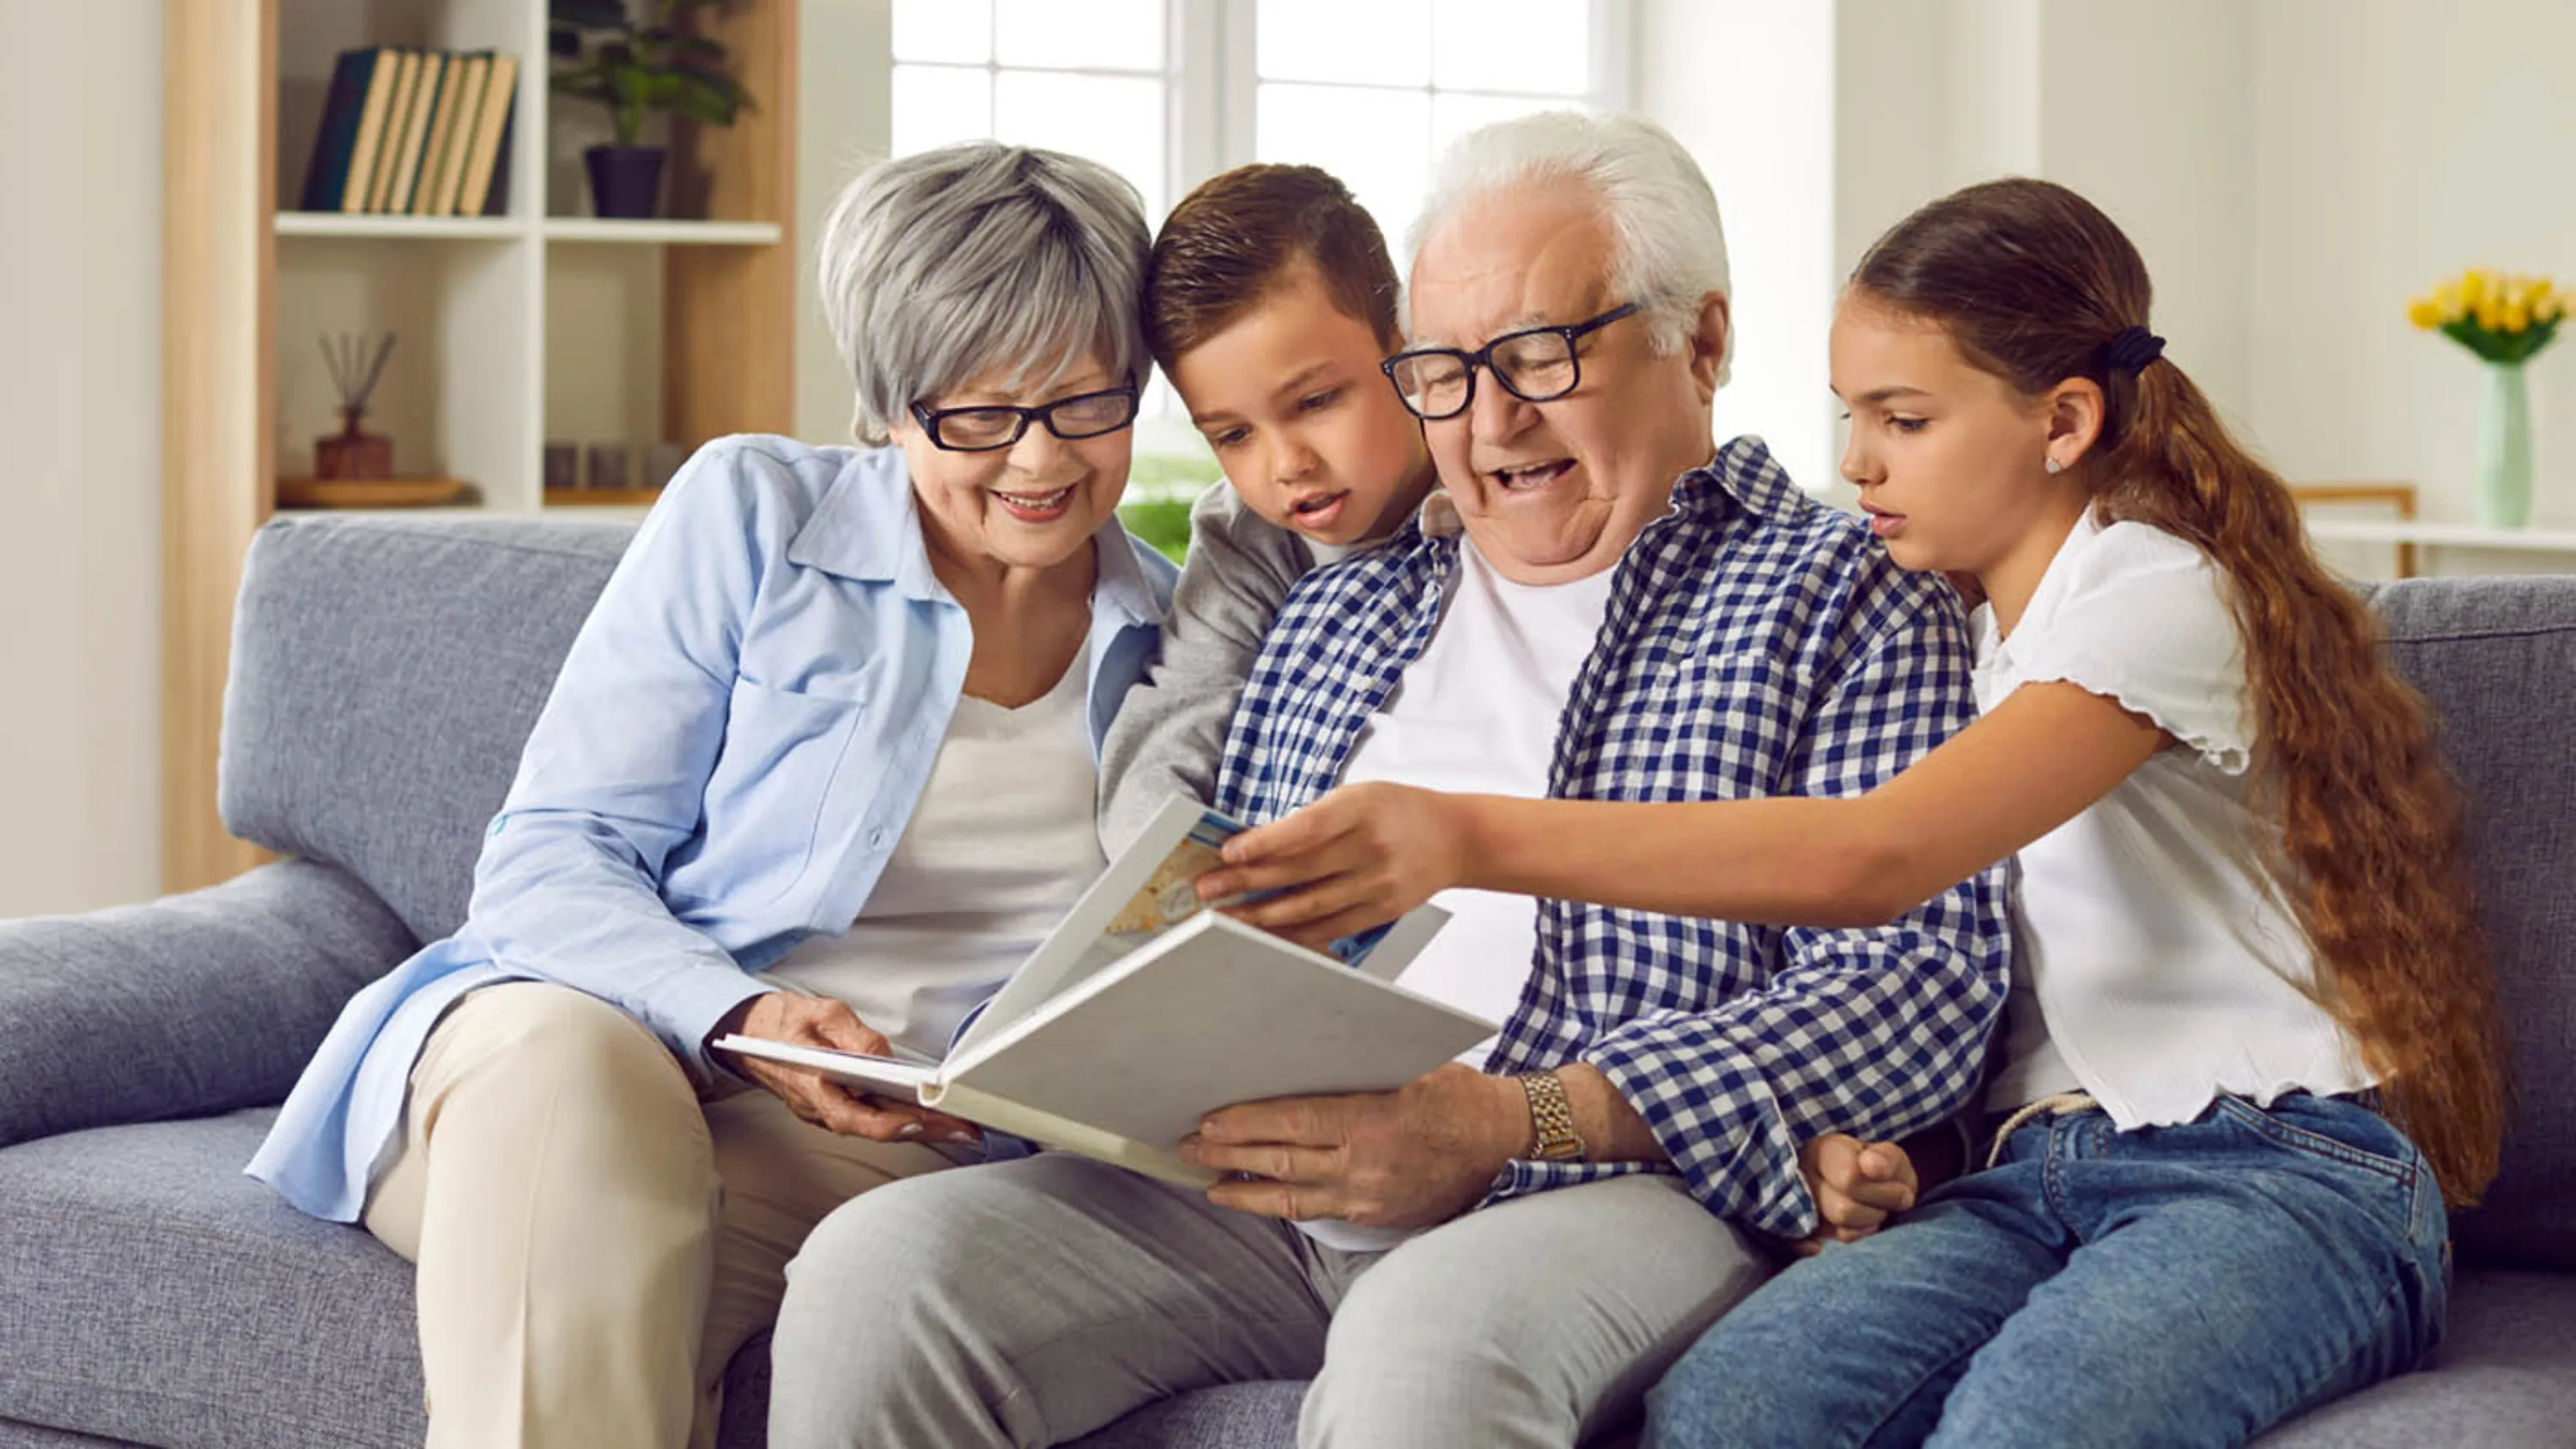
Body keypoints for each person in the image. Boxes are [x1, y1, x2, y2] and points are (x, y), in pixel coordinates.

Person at [762, 112, 2012, 1449]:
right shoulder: (1338, 607)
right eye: (1448, 372)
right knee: (881, 1273)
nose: (1493, 419)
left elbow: (1922, 983)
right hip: (1262, 1183)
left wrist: (1512, 1119)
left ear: (1700, 342)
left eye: (1542, 353)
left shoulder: (1852, 595)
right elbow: (1216, 919)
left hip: (1601, 1185)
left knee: (1425, 1352)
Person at [1202, 177, 2508, 1449]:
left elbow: (1879, 857)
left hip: (2272, 1164)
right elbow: (1979, 988)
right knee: (1732, 1409)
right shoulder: (1968, 636)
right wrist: (1892, 1159)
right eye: (1851, 414)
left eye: (1905, 419)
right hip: (2028, 1171)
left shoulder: (2155, 596)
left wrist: (1467, 833)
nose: (1855, 461)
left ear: (2063, 422)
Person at [245, 141, 1177, 1449]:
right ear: (891, 405)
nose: (1040, 458)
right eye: (980, 414)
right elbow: (550, 858)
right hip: (579, 1048)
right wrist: (741, 1017)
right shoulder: (756, 516)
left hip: (893, 1147)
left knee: (616, 1325)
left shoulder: (1181, 636)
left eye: (1086, 403)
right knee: (581, 1087)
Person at [1097, 162, 1438, 853]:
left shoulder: (1501, 489)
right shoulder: (1245, 538)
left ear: (1407, 349)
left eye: (1315, 402)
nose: (1287, 465)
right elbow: (1171, 732)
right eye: (1233, 435)